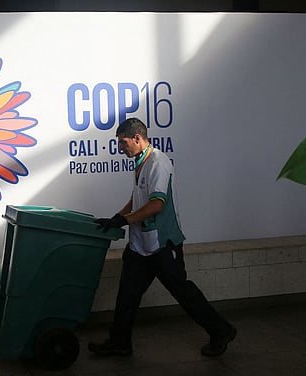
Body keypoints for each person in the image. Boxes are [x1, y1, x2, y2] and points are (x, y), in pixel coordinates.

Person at [90, 118, 237, 357]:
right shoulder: (141, 161)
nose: (120, 148)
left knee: (183, 293)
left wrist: (125, 221)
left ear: (137, 138)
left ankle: (222, 330)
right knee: (127, 294)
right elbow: (137, 199)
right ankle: (120, 342)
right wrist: (116, 217)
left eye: (123, 142)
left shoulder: (158, 163)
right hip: (140, 246)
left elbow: (157, 204)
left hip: (162, 245)